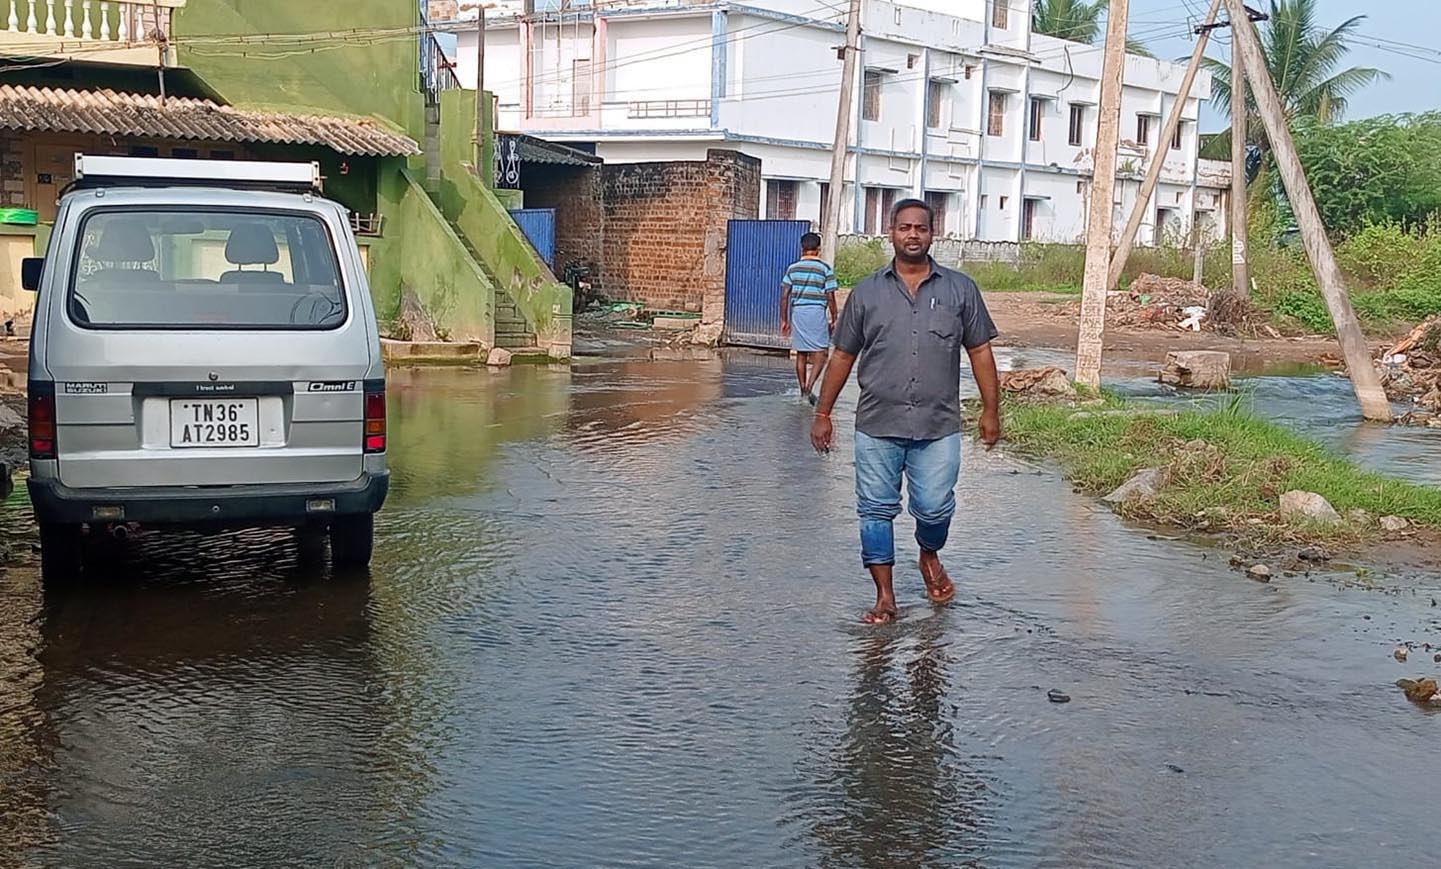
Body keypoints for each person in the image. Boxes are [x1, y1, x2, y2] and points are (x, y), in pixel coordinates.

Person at [809, 199, 1002, 625]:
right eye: (904, 228)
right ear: (891, 233)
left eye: (921, 228)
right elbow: (842, 356)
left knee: (934, 510)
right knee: (875, 511)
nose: (912, 234)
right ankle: (885, 597)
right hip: (878, 424)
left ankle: (928, 555)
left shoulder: (960, 290)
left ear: (933, 235)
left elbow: (981, 352)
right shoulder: (866, 293)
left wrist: (992, 410)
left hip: (938, 426)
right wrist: (823, 413)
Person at [780, 232, 839, 404]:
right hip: (816, 312)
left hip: (798, 312)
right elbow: (830, 296)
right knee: (821, 353)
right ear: (818, 249)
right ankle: (809, 388)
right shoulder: (825, 269)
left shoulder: (793, 268)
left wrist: (785, 320)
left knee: (801, 353)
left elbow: (785, 296)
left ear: (802, 249)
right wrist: (834, 317)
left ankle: (802, 388)